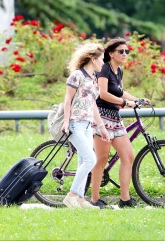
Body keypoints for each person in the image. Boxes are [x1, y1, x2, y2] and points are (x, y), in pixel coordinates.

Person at [90, 38, 149, 209]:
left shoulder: (118, 71)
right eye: (121, 51)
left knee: (128, 157)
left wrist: (137, 99)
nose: (125, 54)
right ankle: (95, 200)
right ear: (110, 53)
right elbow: (102, 94)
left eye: (127, 51)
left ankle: (125, 200)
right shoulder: (104, 69)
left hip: (115, 117)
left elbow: (120, 92)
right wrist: (125, 103)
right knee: (101, 159)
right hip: (101, 117)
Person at [61, 42, 111, 209]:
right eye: (101, 60)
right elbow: (67, 100)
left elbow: (93, 105)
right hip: (75, 123)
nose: (103, 63)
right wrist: (67, 122)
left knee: (84, 160)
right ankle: (72, 195)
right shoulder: (77, 76)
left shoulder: (93, 79)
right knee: (91, 159)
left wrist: (101, 127)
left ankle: (81, 199)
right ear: (93, 59)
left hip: (88, 125)